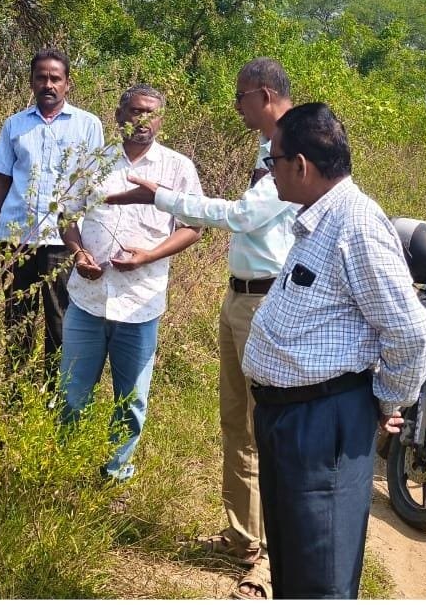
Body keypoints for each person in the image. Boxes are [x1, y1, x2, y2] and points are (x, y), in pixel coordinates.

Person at [105, 58, 296, 599]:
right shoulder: (267, 147)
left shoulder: (291, 143)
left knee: (267, 432)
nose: (235, 107)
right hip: (240, 299)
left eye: (240, 97)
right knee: (236, 424)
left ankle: (266, 563)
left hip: (267, 303)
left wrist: (158, 197)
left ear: (262, 95)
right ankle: (242, 539)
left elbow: (243, 216)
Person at [241, 102, 426, 599]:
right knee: (294, 566)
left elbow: (411, 334)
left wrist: (384, 403)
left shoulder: (357, 226)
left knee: (320, 576)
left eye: (273, 159)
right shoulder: (317, 220)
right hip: (291, 421)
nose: (268, 169)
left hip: (321, 426)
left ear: (300, 166)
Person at [59, 84, 203, 482]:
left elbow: (193, 227)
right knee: (72, 395)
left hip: (141, 303)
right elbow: (66, 217)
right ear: (119, 115)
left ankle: (114, 474)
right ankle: (60, 469)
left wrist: (150, 256)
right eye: (136, 112)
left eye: (151, 113)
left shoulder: (178, 168)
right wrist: (78, 254)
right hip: (87, 299)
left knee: (131, 401)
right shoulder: (92, 161)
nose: (143, 121)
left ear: (161, 119)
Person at [0, 46, 104, 398]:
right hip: (16, 239)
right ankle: (14, 397)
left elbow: (93, 187)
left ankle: (54, 399)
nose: (48, 84)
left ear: (67, 84)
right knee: (17, 321)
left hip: (63, 242)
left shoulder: (88, 125)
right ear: (32, 82)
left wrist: (89, 244)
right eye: (41, 77)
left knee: (60, 323)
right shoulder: (15, 125)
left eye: (55, 78)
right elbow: (1, 184)